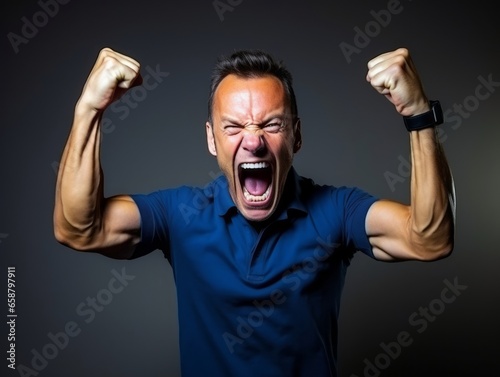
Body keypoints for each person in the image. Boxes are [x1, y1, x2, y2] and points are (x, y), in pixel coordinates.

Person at [53, 47, 455, 376]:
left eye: (271, 124)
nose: (253, 142)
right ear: (212, 139)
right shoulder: (181, 214)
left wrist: (418, 116)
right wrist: (89, 108)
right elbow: (79, 228)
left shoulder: (336, 211)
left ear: (296, 136)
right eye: (233, 127)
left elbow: (430, 239)